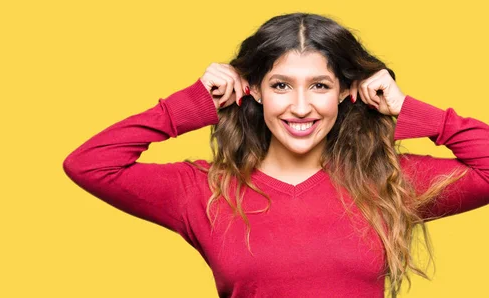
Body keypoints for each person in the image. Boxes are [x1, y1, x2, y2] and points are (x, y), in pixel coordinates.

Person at [62, 13, 489, 298]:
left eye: (319, 86)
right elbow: (89, 163)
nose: (300, 107)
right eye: (281, 85)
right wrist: (192, 102)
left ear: (345, 91)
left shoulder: (388, 181)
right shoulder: (205, 190)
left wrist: (406, 107)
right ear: (253, 90)